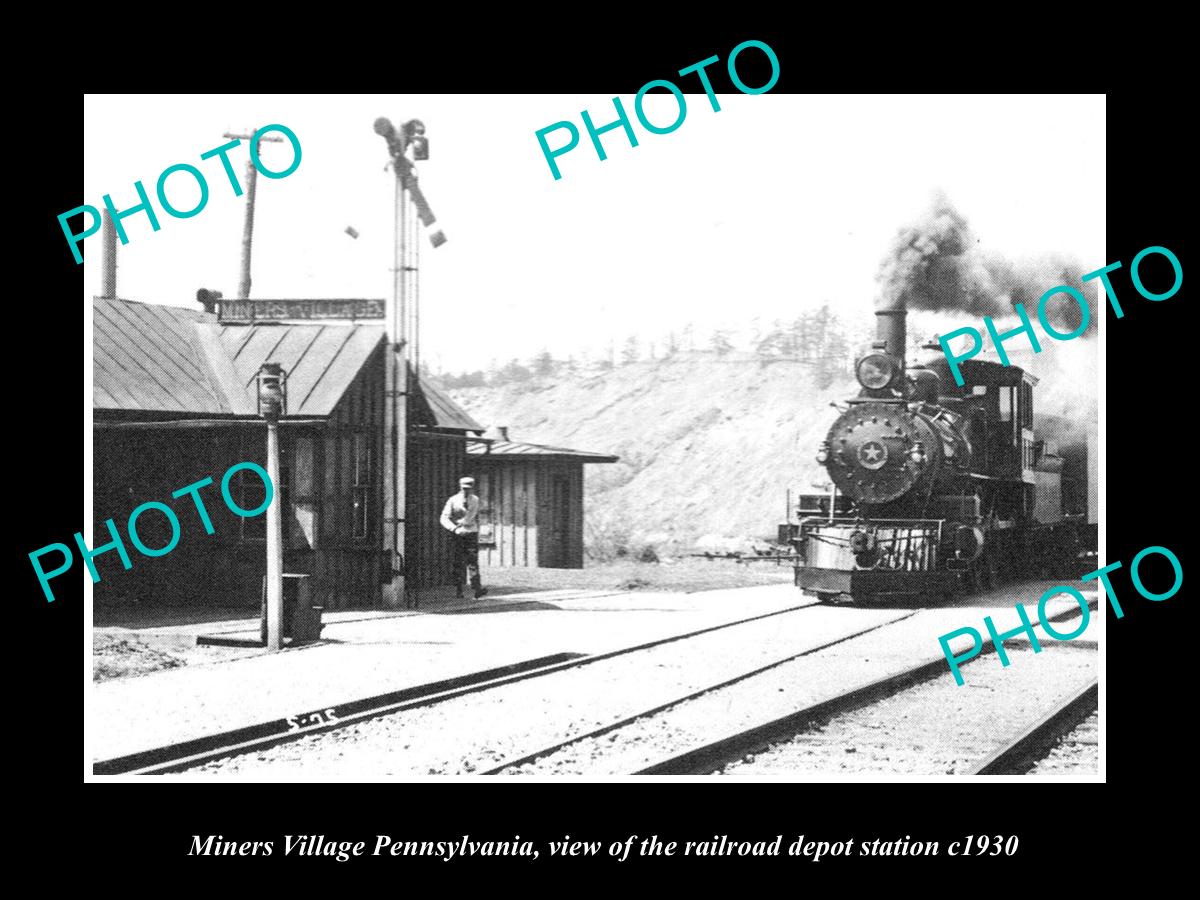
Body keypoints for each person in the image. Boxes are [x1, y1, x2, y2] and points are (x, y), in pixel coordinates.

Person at [440, 476, 487, 600]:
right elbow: (444, 517)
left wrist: (463, 526)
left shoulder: (475, 500)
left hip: (470, 532)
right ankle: (458, 590)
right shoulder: (453, 500)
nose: (466, 491)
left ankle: (477, 588)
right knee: (458, 561)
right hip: (457, 534)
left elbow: (470, 516)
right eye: (464, 488)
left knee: (472, 561)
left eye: (469, 489)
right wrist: (454, 529)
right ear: (460, 487)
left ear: (472, 488)